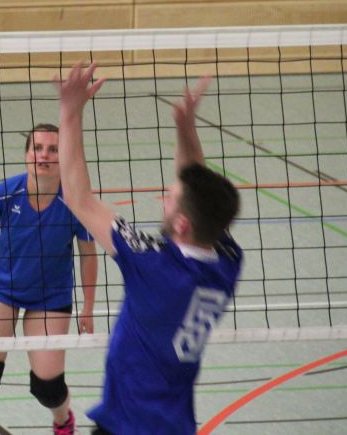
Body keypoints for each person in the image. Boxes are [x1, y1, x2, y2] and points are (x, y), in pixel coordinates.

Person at [55, 63, 243, 435]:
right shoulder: (226, 261)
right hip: (174, 426)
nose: (163, 200)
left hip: (127, 427)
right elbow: (198, 193)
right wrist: (185, 129)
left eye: (169, 199)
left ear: (182, 224)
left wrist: (70, 112)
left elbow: (78, 198)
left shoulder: (153, 266)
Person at [0, 123, 98, 435]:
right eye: (37, 148)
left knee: (47, 385)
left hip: (50, 297)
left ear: (63, 156)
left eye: (53, 149)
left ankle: (62, 420)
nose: (44, 155)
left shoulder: (75, 201)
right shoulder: (4, 192)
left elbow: (88, 255)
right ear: (27, 154)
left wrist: (88, 307)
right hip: (1, 289)